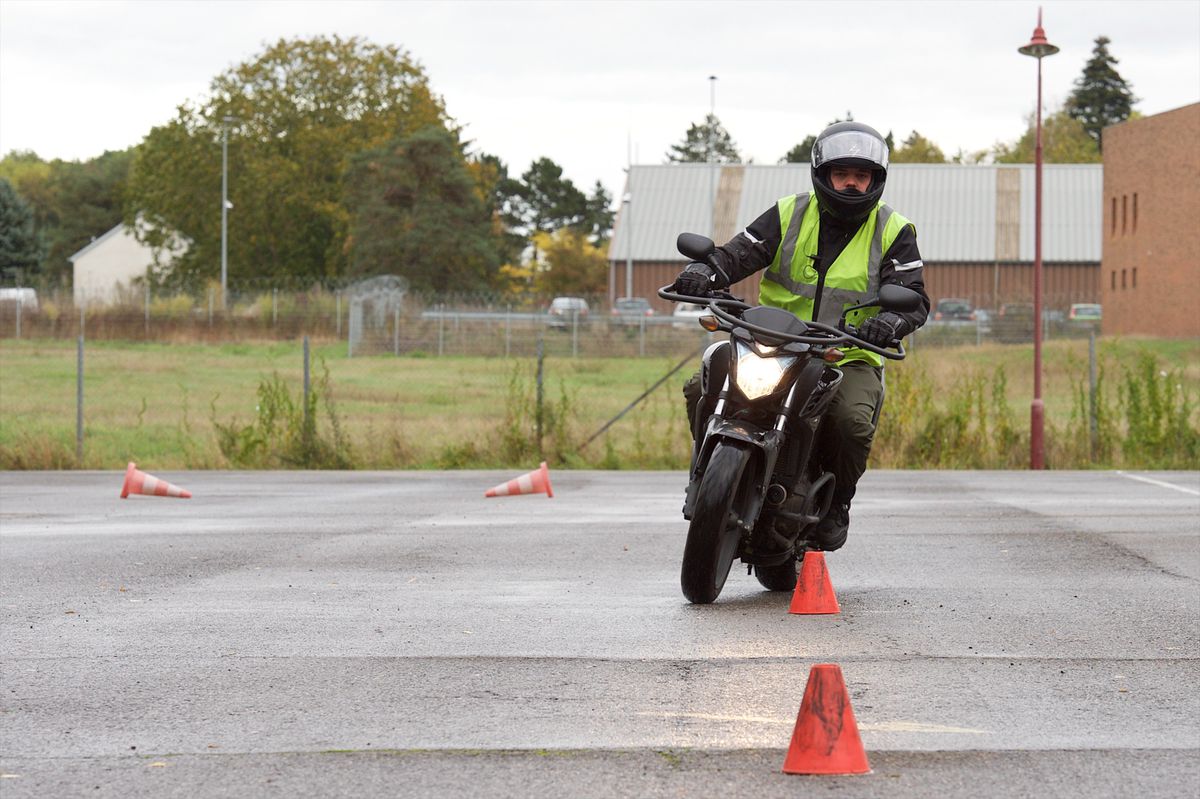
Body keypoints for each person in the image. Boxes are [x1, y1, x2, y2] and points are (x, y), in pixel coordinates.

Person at [674, 121, 929, 552]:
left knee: (851, 422)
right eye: (841, 173)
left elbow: (915, 297)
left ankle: (838, 505)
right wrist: (706, 270)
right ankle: (706, 475)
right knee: (702, 383)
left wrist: (889, 322)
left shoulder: (893, 230)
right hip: (770, 343)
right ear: (822, 174)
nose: (851, 183)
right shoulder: (789, 213)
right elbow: (738, 254)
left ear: (875, 180)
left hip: (845, 352)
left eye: (861, 175)